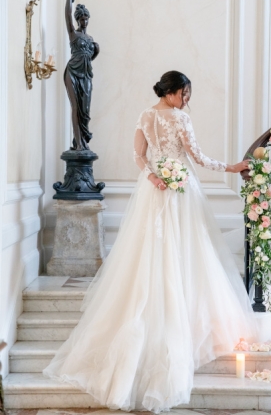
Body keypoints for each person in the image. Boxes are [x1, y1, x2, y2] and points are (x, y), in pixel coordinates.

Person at [44, 71, 257, 413]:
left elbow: (139, 157)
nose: (186, 100)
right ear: (171, 91)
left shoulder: (145, 115)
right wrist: (231, 168)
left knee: (163, 250)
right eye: (184, 93)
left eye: (187, 95)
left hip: (154, 190)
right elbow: (197, 158)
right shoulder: (179, 119)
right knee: (180, 251)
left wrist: (154, 176)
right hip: (179, 191)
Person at [64, 0, 100, 150]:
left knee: (85, 110)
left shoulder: (91, 38)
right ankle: (78, 143)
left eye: (86, 18)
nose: (84, 20)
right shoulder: (73, 34)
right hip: (72, 71)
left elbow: (91, 56)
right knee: (75, 106)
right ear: (78, 19)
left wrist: (96, 49)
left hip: (86, 74)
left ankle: (82, 140)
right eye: (81, 18)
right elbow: (67, 16)